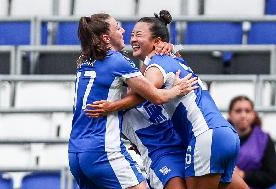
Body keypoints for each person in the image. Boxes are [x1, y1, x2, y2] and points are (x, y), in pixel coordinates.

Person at [86, 10, 248, 189]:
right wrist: (174, 48)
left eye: (138, 34)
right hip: (224, 133)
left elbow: (145, 94)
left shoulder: (154, 66)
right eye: (131, 34)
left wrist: (111, 107)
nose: (132, 39)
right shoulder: (169, 60)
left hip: (202, 137)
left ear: (157, 42)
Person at [69, 13, 195, 189]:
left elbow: (136, 86)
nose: (123, 31)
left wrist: (165, 49)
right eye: (118, 27)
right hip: (103, 150)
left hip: (76, 152)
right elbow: (155, 96)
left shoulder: (84, 61)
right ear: (106, 38)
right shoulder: (117, 60)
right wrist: (177, 89)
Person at [228, 95, 276, 189]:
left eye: (247, 111)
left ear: (253, 114)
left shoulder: (264, 139)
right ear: (230, 115)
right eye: (238, 111)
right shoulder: (219, 138)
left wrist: (243, 175)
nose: (243, 115)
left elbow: (272, 176)